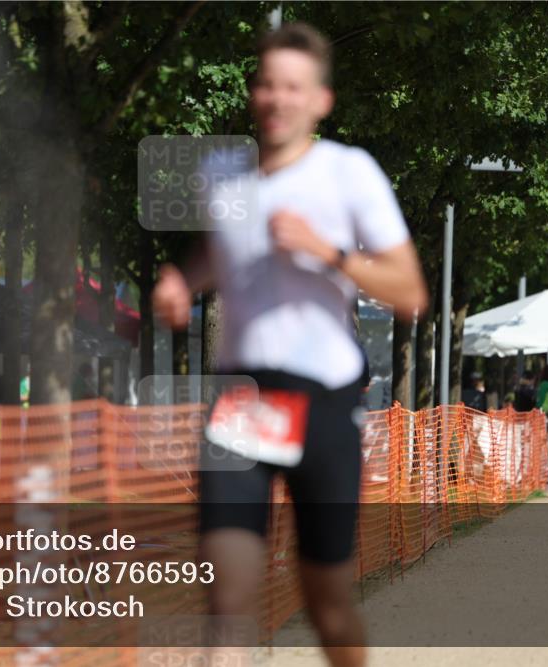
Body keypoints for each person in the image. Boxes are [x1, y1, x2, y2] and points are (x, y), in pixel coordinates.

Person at [153, 22, 427, 666]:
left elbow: (411, 291)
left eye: (293, 88)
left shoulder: (349, 173)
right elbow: (219, 257)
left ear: (320, 101)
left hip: (324, 399)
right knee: (228, 605)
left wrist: (325, 251)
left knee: (326, 600)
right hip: (242, 402)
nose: (277, 99)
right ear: (254, 94)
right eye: (267, 85)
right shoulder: (223, 176)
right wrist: (181, 282)